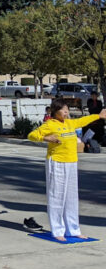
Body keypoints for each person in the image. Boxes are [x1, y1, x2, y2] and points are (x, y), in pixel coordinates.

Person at [27, 99, 106, 241]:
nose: (66, 112)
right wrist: (46, 138)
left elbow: (82, 121)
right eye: (63, 110)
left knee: (71, 197)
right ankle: (57, 230)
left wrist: (98, 116)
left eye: (66, 109)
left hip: (71, 163)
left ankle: (73, 229)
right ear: (55, 112)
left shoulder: (70, 123)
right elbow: (31, 135)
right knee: (57, 196)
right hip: (56, 162)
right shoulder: (50, 124)